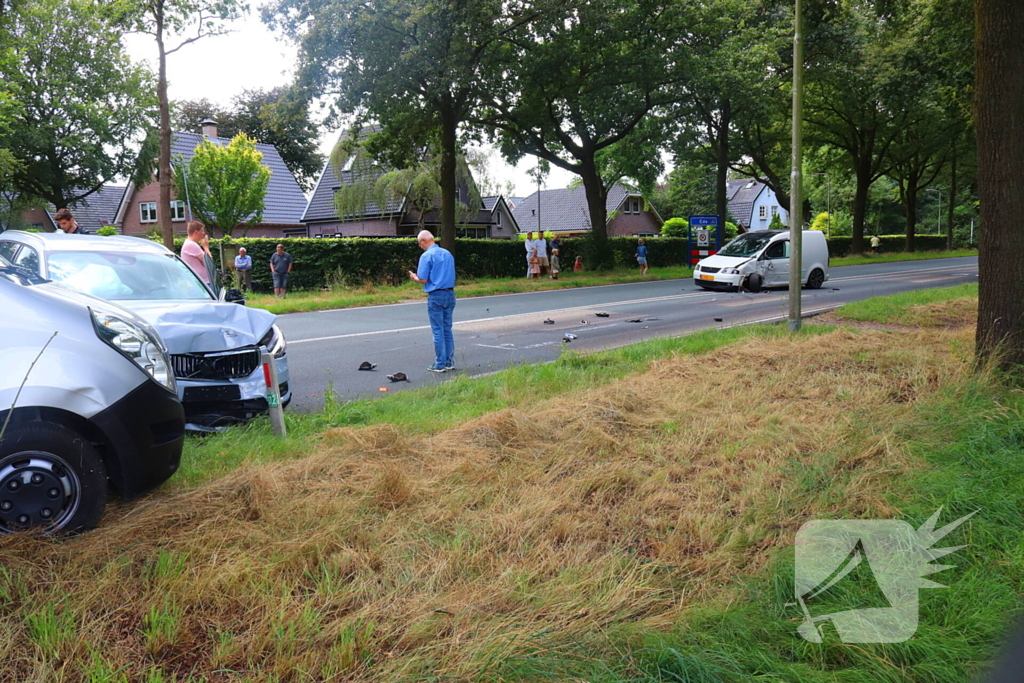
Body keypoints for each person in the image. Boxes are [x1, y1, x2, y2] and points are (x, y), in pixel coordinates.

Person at [408, 230, 456, 372]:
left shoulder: (426, 255)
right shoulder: (447, 254)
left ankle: (440, 364)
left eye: (420, 244)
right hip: (450, 293)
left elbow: (423, 279)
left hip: (436, 295)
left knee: (438, 331)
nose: (420, 246)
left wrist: (414, 277)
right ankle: (449, 361)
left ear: (423, 241)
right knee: (447, 329)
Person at [180, 220, 212, 285]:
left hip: (200, 282)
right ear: (196, 232)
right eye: (202, 231)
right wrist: (205, 247)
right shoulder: (191, 245)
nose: (203, 233)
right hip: (202, 283)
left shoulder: (189, 243)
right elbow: (209, 261)